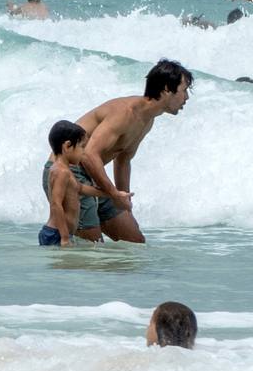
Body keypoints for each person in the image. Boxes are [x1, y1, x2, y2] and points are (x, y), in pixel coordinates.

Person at [63, 59, 193, 243]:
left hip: (92, 175)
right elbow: (88, 154)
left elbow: (123, 160)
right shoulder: (125, 112)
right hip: (67, 172)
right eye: (184, 90)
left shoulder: (147, 120)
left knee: (134, 243)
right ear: (166, 89)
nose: (186, 97)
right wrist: (114, 193)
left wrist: (124, 204)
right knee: (91, 249)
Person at [40, 120, 107, 247]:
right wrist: (65, 237)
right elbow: (56, 204)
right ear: (67, 146)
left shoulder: (65, 170)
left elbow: (80, 188)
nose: (83, 152)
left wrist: (110, 194)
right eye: (82, 147)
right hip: (57, 234)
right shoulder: (61, 171)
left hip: (59, 233)